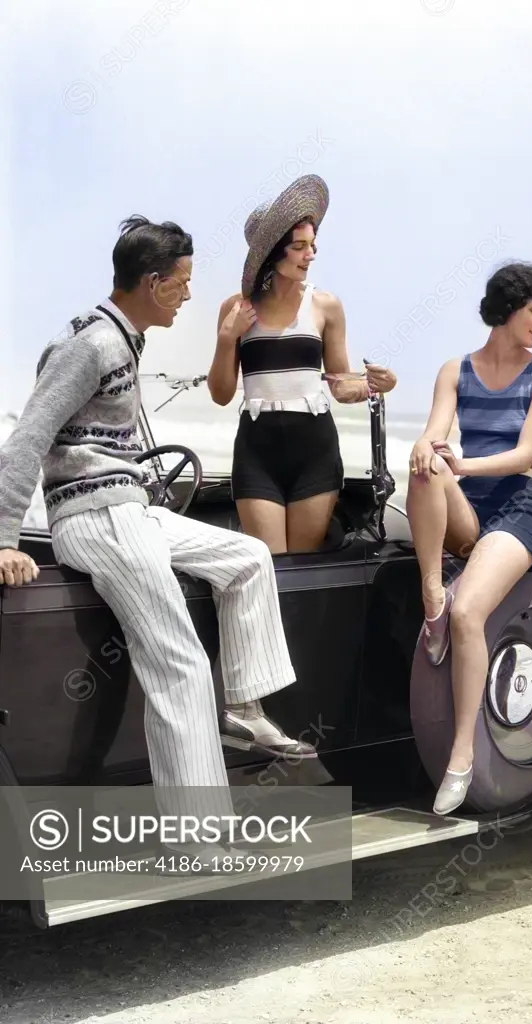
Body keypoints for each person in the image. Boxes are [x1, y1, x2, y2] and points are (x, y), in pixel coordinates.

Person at [0, 215, 317, 858]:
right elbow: (29, 437)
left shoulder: (125, 338)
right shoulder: (91, 346)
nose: (189, 294)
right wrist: (5, 538)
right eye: (182, 282)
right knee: (179, 663)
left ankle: (245, 710)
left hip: (130, 508)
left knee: (249, 556)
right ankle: (199, 838)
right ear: (151, 283)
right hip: (97, 519)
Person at [406, 261, 532, 816]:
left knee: (470, 612)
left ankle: (461, 757)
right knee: (421, 463)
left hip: (516, 507)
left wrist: (464, 466)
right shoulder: (455, 369)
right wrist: (432, 447)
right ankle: (431, 594)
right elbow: (435, 428)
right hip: (468, 508)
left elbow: (525, 455)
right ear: (507, 308)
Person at [207, 174, 397, 554]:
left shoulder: (326, 306)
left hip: (315, 450)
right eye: (299, 247)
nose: (310, 254)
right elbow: (221, 394)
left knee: (302, 567)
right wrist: (228, 339)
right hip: (256, 450)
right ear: (272, 254)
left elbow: (341, 386)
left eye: (312, 245)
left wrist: (378, 384)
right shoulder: (235, 309)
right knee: (269, 565)